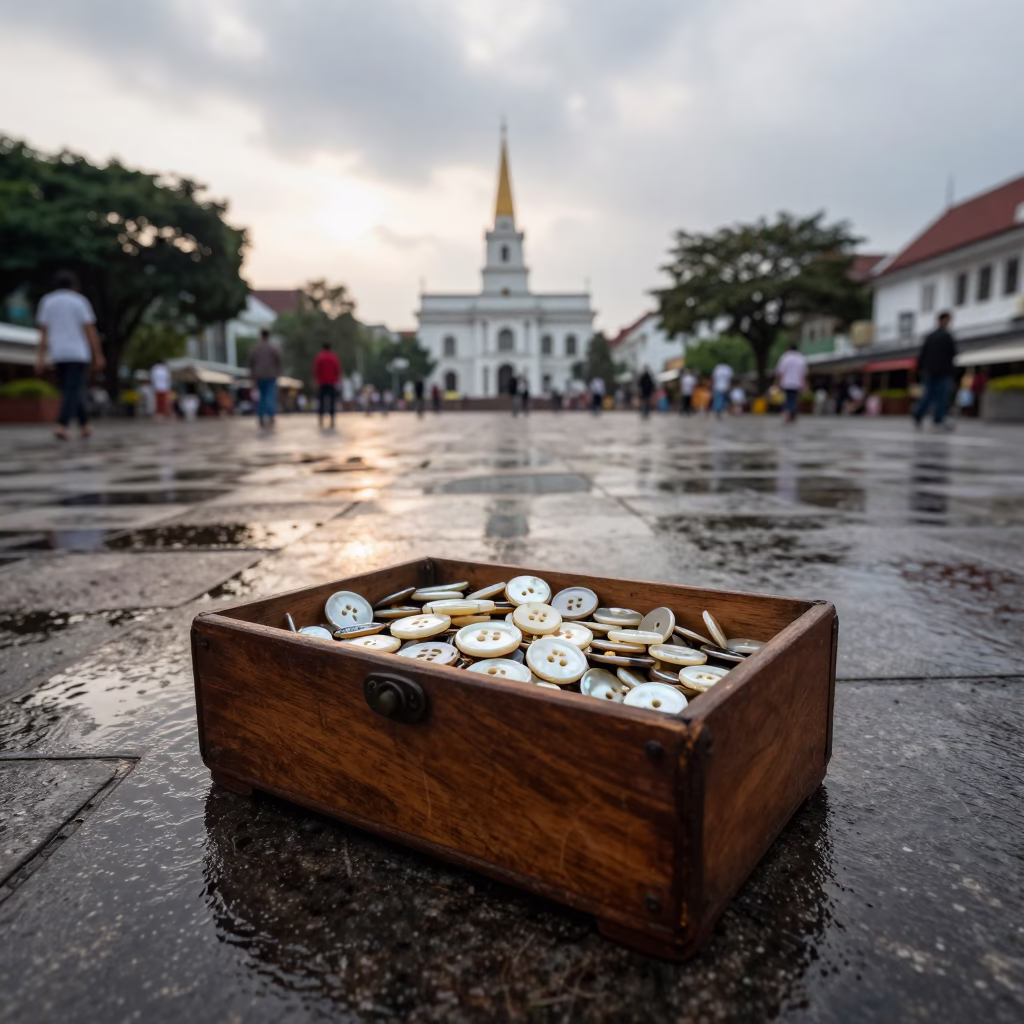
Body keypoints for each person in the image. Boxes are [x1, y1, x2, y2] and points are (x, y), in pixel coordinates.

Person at [34, 270, 105, 440]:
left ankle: (84, 424)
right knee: (72, 390)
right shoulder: (79, 301)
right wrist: (98, 354)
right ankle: (62, 424)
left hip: (58, 352)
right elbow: (89, 330)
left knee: (71, 389)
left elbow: (43, 332)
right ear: (74, 285)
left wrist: (40, 356)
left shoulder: (47, 301)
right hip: (79, 353)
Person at [913, 312, 958, 428]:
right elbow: (953, 354)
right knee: (941, 397)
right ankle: (938, 419)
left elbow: (922, 355)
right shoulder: (947, 336)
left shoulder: (930, 336)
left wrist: (920, 369)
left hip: (929, 371)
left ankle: (919, 414)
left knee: (928, 395)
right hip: (942, 371)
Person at [248, 329, 281, 428]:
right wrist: (276, 370)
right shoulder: (273, 348)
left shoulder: (255, 348)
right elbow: (278, 360)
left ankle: (261, 417)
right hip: (271, 375)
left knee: (262, 397)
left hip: (259, 376)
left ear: (261, 335)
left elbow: (251, 363)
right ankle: (271, 416)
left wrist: (252, 375)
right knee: (270, 396)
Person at [775, 342, 809, 423]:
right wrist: (804, 384)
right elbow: (803, 373)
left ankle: (787, 414)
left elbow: (780, 371)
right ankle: (792, 414)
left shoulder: (785, 357)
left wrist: (778, 381)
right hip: (797, 383)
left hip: (786, 382)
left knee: (787, 398)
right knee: (794, 399)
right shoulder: (801, 358)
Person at [312, 342, 341, 428]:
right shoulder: (334, 357)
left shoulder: (319, 357)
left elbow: (316, 370)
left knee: (321, 401)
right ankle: (332, 419)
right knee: (332, 401)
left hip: (322, 382)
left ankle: (321, 419)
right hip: (332, 382)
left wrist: (315, 380)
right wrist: (337, 380)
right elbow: (337, 369)